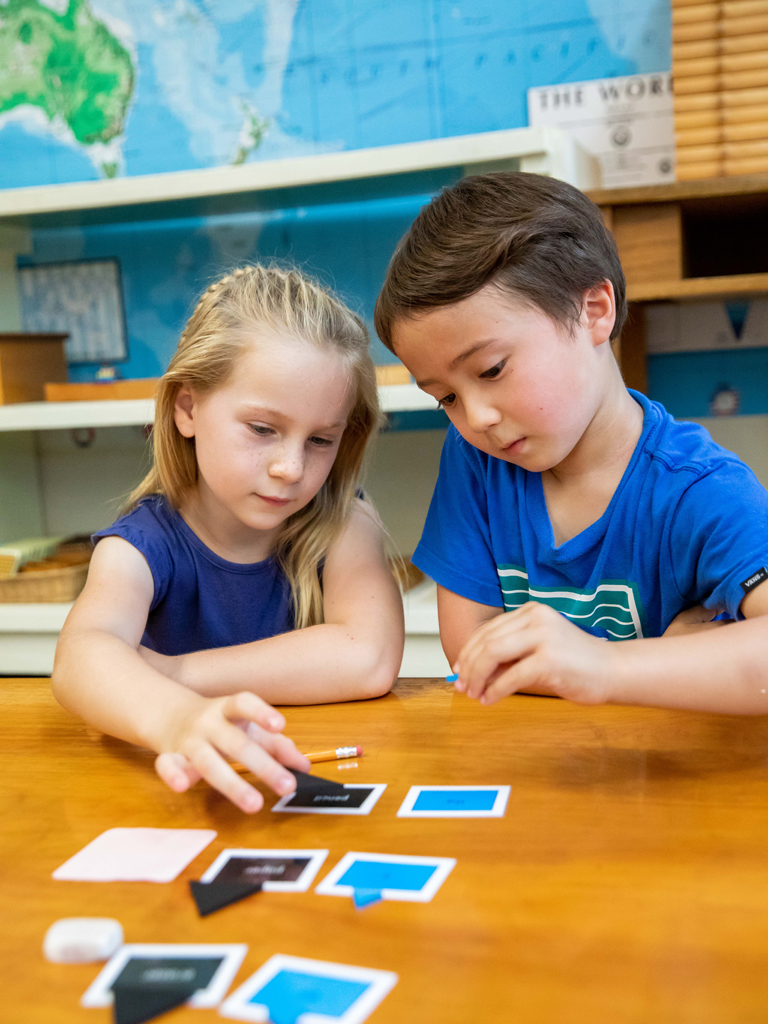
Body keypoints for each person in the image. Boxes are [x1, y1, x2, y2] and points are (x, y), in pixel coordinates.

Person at [374, 171, 768, 715]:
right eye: (446, 398)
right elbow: (472, 652)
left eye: (491, 370)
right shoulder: (477, 462)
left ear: (594, 311)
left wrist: (606, 667)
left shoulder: (699, 490)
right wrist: (666, 659)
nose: (477, 418)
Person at [53, 265, 404, 812]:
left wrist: (175, 673)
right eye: (263, 430)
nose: (290, 467)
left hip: (301, 785)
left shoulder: (343, 519)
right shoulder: (140, 545)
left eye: (320, 439)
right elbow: (79, 658)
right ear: (187, 408)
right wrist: (177, 718)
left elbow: (369, 658)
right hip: (174, 797)